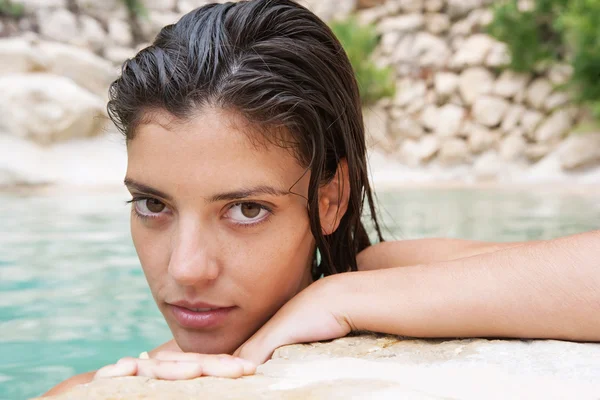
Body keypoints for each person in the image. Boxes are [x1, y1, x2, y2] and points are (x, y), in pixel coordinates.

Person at [44, 0, 600, 396]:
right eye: (153, 205)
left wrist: (333, 300)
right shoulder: (93, 390)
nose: (186, 269)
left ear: (330, 200)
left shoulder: (369, 279)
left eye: (246, 210)